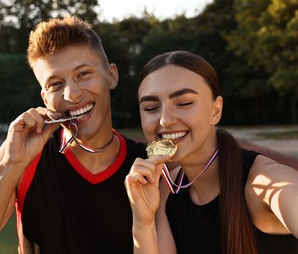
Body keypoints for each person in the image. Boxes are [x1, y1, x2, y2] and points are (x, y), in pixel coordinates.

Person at [0, 16, 147, 254]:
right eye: (56, 84)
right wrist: (12, 165)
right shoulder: (23, 154)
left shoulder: (147, 164)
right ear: (44, 98)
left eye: (83, 74)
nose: (71, 94)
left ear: (111, 75)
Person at [125, 50, 298, 254]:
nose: (165, 120)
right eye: (151, 108)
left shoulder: (266, 182)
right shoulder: (165, 191)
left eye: (184, 103)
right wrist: (142, 222)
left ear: (216, 110)